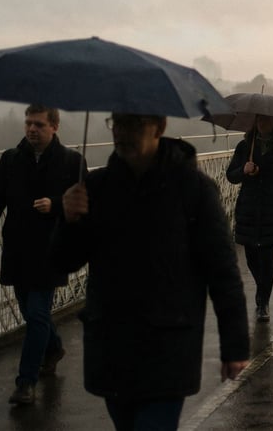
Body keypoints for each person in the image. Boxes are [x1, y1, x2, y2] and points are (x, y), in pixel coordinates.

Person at [52, 113, 250, 430]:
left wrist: (235, 346)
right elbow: (64, 262)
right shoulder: (96, 188)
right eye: (116, 124)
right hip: (112, 345)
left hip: (167, 347)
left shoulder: (194, 190)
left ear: (159, 128)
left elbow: (222, 270)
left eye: (133, 126)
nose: (121, 133)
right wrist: (68, 220)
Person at [0, 105, 82, 406]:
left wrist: (57, 205)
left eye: (39, 124)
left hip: (51, 251)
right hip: (18, 249)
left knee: (35, 315)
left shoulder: (71, 161)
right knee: (30, 310)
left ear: (54, 127)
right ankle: (55, 347)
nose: (32, 129)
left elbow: (85, 205)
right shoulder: (11, 159)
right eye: (28, 124)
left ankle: (26, 382)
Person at [226, 115, 273, 323]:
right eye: (258, 120)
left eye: (266, 121)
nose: (261, 124)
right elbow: (231, 175)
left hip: (272, 211)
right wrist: (244, 170)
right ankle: (262, 289)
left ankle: (263, 302)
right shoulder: (244, 147)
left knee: (267, 257)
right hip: (248, 209)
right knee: (250, 257)